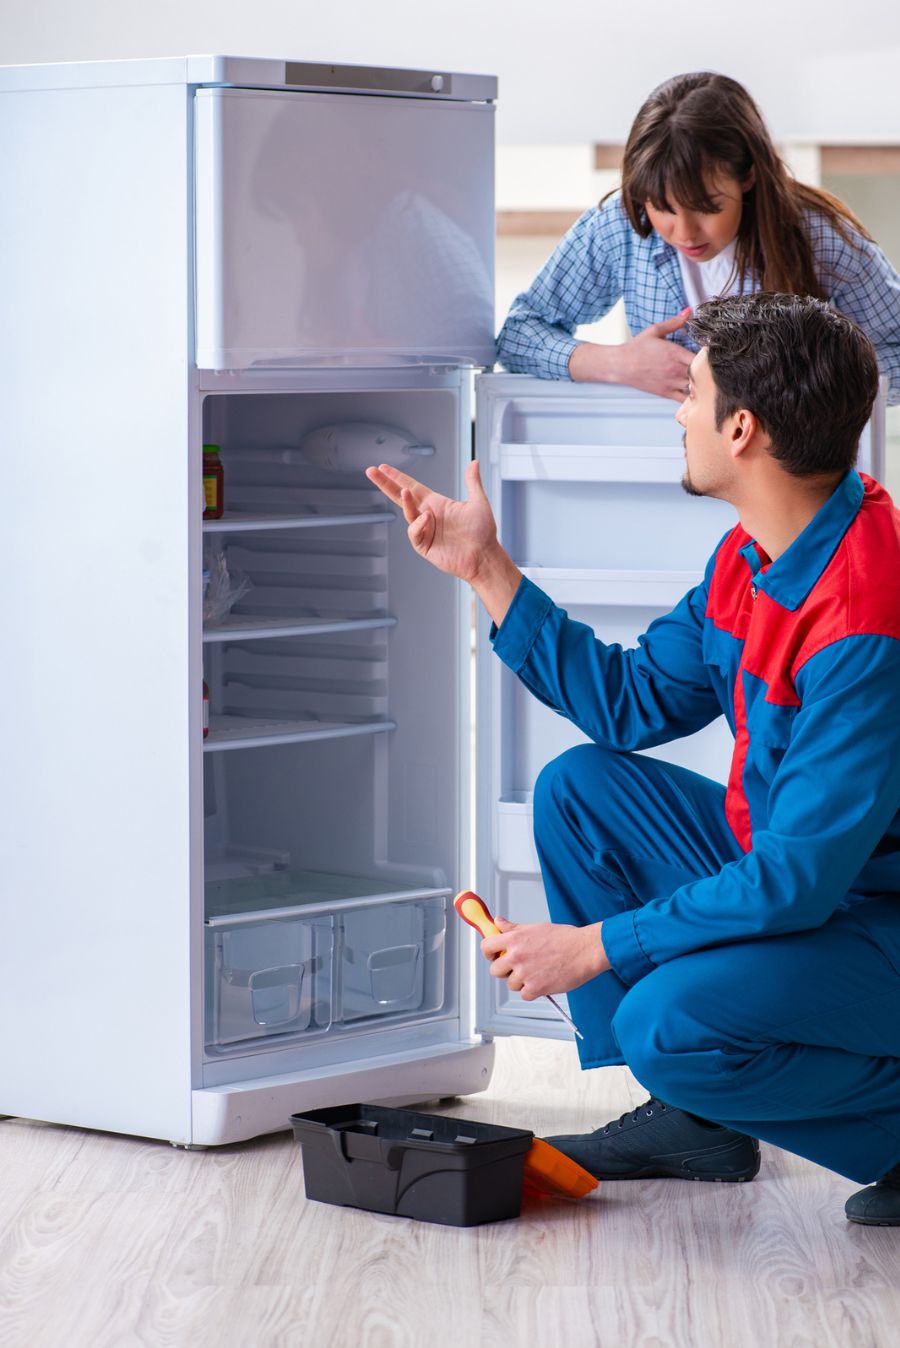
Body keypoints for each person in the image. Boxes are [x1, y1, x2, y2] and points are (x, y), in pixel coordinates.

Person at [367, 292, 900, 1226]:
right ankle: (692, 1119)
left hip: (873, 915)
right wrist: (487, 568)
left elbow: (797, 883)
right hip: (817, 881)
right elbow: (631, 701)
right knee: (582, 791)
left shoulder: (864, 619)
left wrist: (594, 948)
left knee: (672, 1021)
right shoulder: (754, 555)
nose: (679, 413)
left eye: (690, 393)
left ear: (742, 429)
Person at [496, 72, 900, 404]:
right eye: (663, 208)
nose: (684, 233)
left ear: (748, 177)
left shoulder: (821, 238)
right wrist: (618, 365)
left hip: (794, 483)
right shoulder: (619, 224)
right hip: (666, 468)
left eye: (707, 207)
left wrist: (809, 381)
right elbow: (518, 335)